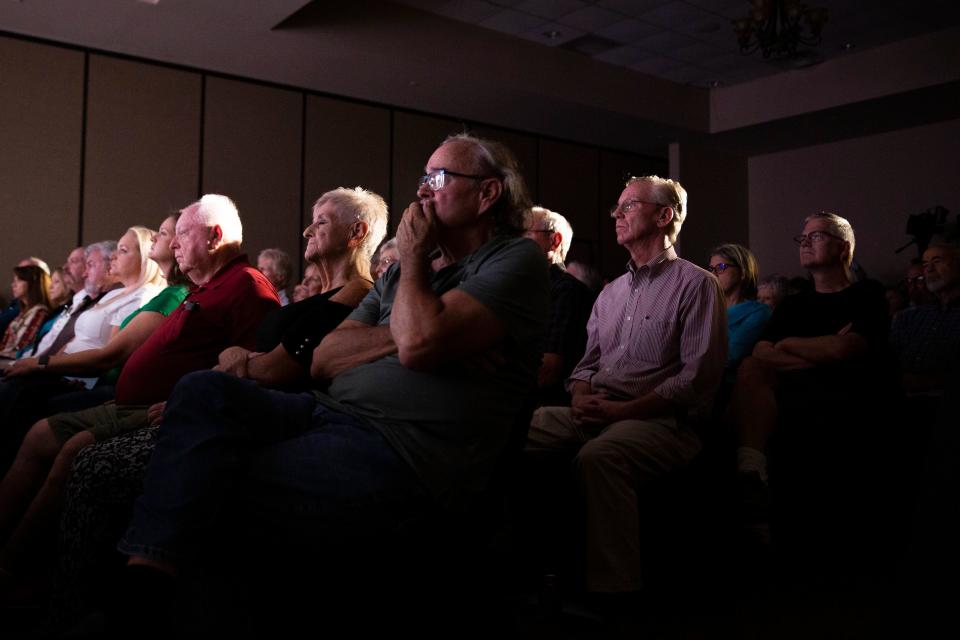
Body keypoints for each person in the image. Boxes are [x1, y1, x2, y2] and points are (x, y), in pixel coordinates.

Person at [102, 134, 546, 631]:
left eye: (438, 179)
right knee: (202, 390)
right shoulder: (401, 279)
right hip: (327, 411)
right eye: (422, 178)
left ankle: (141, 613)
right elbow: (324, 359)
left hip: (402, 447)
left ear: (487, 194)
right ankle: (147, 575)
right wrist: (412, 334)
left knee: (221, 476)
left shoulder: (512, 261)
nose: (423, 192)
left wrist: (418, 304)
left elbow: (419, 342)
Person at [0, 190, 386, 600]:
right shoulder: (207, 288)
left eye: (321, 221)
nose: (307, 229)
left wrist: (232, 370)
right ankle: (22, 563)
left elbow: (287, 367)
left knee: (81, 454)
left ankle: (55, 586)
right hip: (176, 399)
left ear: (357, 232)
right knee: (41, 430)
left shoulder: (338, 292)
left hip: (202, 408)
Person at [525, 175, 726, 598]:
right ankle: (525, 566)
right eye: (617, 206)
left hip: (662, 421)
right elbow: (584, 366)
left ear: (664, 216)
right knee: (516, 430)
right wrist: (580, 397)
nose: (616, 214)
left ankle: (613, 593)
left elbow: (697, 378)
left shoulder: (696, 284)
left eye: (628, 206)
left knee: (601, 456)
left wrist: (622, 411)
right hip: (598, 409)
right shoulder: (610, 293)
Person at [727, 212, 889, 553]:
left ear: (843, 248)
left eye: (815, 236)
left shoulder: (867, 293)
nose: (804, 243)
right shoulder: (795, 304)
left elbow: (847, 347)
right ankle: (751, 472)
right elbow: (761, 351)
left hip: (847, 392)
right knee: (751, 369)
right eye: (802, 237)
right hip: (793, 389)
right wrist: (817, 349)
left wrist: (788, 345)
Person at [522, 206, 593, 406]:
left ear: (554, 241)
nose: (515, 242)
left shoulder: (568, 291)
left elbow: (549, 371)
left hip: (547, 404)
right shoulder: (522, 289)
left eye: (526, 233)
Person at [707, 243, 771, 375]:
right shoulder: (705, 308)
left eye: (721, 267)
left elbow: (730, 356)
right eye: (711, 269)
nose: (713, 274)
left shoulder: (758, 312)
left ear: (742, 272)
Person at [0, 266, 51, 360]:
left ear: (32, 284)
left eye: (19, 280)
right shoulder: (23, 312)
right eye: (14, 280)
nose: (13, 285)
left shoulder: (40, 312)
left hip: (15, 362)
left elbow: (22, 348)